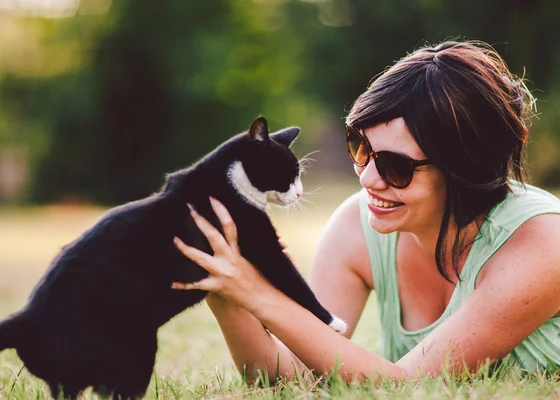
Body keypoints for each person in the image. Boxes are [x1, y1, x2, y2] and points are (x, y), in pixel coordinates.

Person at [171, 40, 560, 382]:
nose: (368, 178)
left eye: (396, 167)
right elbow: (295, 379)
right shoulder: (357, 225)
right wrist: (224, 283)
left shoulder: (542, 242)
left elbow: (407, 385)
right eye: (361, 148)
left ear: (465, 168)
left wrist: (259, 295)